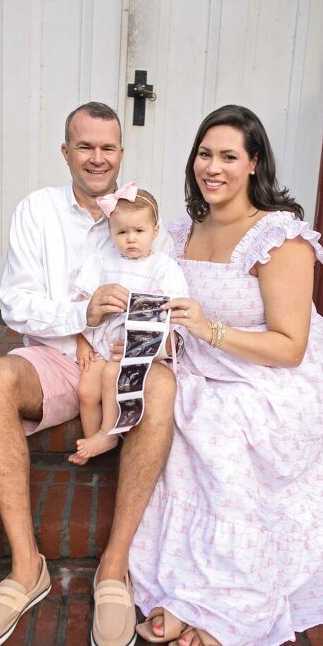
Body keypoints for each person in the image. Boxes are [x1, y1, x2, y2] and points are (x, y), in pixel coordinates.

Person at [129, 105, 323, 646]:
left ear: (253, 165)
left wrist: (209, 329)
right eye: (205, 153)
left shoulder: (278, 237)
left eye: (229, 156)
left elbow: (290, 346)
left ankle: (232, 600)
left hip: (276, 375)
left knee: (219, 427)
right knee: (172, 412)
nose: (213, 167)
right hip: (205, 360)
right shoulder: (180, 231)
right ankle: (189, 586)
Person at [0, 102, 177, 646]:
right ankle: (27, 568)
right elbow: (16, 305)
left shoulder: (144, 215)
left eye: (107, 147)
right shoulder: (37, 211)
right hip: (54, 359)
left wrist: (146, 343)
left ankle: (114, 567)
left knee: (163, 388)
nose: (97, 157)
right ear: (66, 152)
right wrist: (82, 317)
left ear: (121, 153)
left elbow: (166, 298)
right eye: (85, 146)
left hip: (123, 361)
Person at [69, 182, 188, 465]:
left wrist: (151, 343)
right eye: (122, 232)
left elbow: (176, 306)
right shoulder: (101, 261)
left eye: (139, 231)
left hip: (136, 344)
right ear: (110, 232)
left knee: (112, 376)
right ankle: (93, 441)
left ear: (155, 231)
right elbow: (81, 303)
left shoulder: (162, 267)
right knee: (86, 389)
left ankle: (108, 433)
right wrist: (82, 340)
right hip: (102, 341)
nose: (130, 239)